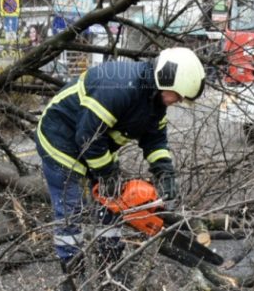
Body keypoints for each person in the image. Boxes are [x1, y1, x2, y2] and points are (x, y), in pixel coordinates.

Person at [34, 48, 205, 290]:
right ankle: (72, 276)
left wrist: (164, 173)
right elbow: (88, 138)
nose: (178, 101)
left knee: (111, 204)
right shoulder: (119, 88)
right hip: (60, 140)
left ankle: (110, 265)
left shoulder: (155, 101)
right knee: (71, 209)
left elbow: (155, 140)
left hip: (94, 145)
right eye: (177, 95)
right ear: (166, 79)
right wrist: (107, 174)